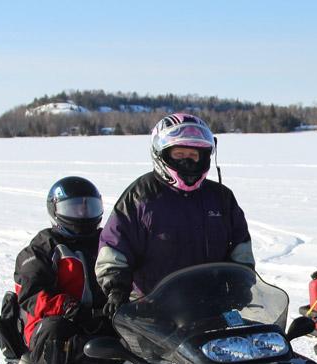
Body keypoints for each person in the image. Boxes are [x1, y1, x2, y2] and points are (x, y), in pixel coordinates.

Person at [96, 113, 255, 315]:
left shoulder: (221, 197)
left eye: (193, 156)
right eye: (179, 155)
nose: (188, 162)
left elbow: (241, 247)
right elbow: (114, 248)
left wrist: (241, 284)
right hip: (152, 309)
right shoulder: (141, 196)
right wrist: (116, 288)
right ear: (162, 154)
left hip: (212, 305)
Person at [15, 176, 111, 364]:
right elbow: (31, 293)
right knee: (54, 331)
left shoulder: (107, 241)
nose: (82, 214)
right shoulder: (43, 246)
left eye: (88, 207)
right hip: (56, 320)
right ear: (55, 210)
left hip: (101, 315)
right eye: (74, 208)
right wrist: (66, 306)